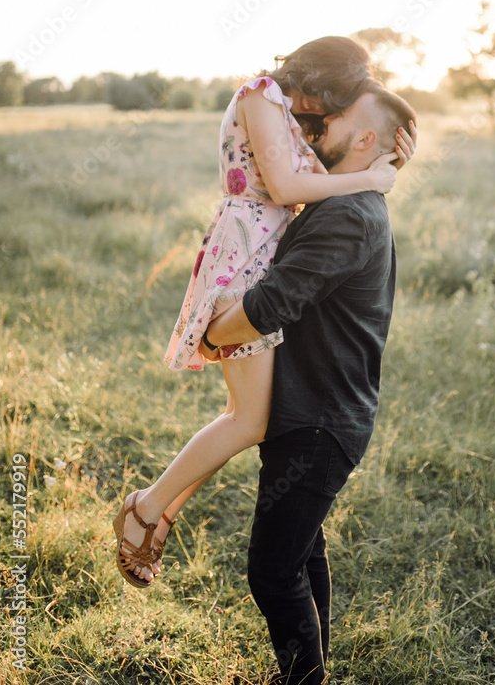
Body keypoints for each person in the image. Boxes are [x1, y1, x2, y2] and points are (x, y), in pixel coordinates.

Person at [113, 37, 416, 588]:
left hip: (262, 245)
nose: (335, 112)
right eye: (342, 99)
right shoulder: (260, 94)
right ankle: (146, 508)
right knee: (248, 420)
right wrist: (372, 178)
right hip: (245, 249)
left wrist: (387, 159)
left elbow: (329, 169)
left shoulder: (287, 115)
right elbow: (285, 185)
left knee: (243, 416)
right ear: (325, 80)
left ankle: (157, 515)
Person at [199, 82, 417, 685]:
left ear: (366, 138)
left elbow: (272, 304)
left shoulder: (348, 213)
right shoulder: (347, 199)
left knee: (272, 570)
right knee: (303, 551)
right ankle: (308, 670)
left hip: (320, 421)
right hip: (318, 410)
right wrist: (385, 167)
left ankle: (304, 679)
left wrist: (214, 335)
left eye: (337, 115)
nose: (317, 121)